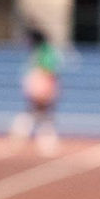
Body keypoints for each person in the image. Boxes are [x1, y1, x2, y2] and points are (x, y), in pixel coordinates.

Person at [10, 26, 63, 156]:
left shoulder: (44, 51)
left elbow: (47, 70)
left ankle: (21, 135)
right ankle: (40, 140)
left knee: (37, 113)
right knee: (40, 113)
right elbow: (47, 71)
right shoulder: (43, 50)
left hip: (40, 82)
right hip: (40, 83)